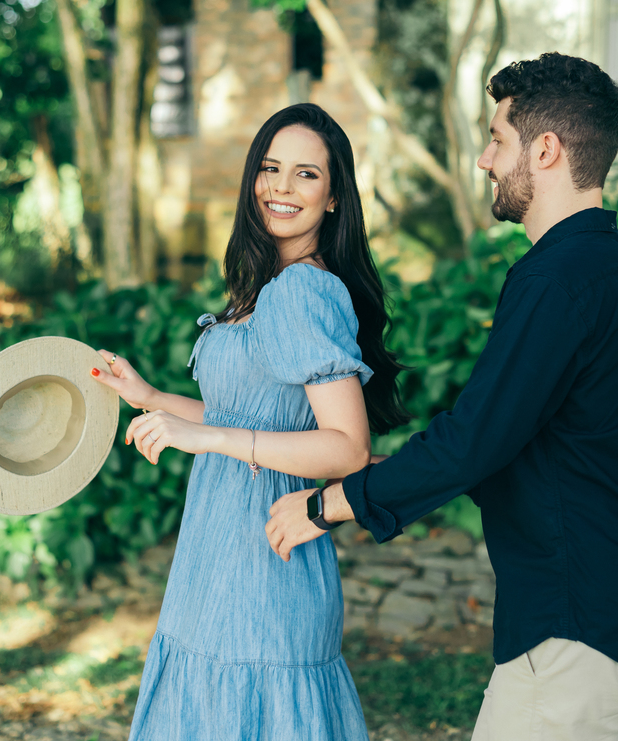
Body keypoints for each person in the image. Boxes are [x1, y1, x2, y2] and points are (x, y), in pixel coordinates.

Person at [265, 53, 618, 741]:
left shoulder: (558, 280)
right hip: (617, 596)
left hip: (576, 608)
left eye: (498, 139)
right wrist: (387, 475)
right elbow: (545, 443)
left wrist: (329, 505)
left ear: (546, 150)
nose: (484, 160)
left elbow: (476, 441)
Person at [89, 103, 409, 740]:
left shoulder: (304, 291)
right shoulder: (269, 284)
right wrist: (150, 396)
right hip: (217, 552)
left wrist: (205, 437)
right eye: (270, 168)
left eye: (306, 175)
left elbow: (347, 449)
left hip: (263, 560)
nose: (281, 187)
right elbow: (249, 417)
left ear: (335, 197)